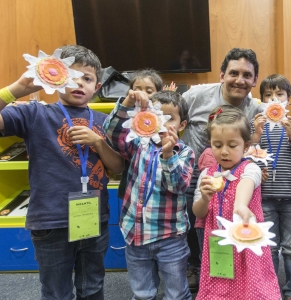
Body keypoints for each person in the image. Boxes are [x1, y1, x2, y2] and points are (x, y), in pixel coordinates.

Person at [0, 45, 124, 299]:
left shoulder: (102, 122)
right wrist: (16, 90)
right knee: (56, 291)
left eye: (87, 78)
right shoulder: (35, 113)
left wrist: (98, 142)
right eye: (72, 76)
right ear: (57, 79)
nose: (79, 83)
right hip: (50, 222)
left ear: (97, 87)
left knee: (93, 287)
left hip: (94, 219)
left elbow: (118, 168)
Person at [181, 48, 263, 290]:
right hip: (194, 177)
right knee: (194, 226)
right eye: (233, 73)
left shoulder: (255, 110)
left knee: (230, 228)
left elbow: (256, 147)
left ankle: (235, 280)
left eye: (247, 75)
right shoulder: (196, 96)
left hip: (235, 180)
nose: (240, 80)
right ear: (221, 75)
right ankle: (197, 268)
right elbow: (172, 116)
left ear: (255, 80)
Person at [103, 89, 195, 300]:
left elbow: (178, 186)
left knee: (177, 293)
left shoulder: (184, 152)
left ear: (182, 125)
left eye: (169, 117)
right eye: (156, 115)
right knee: (142, 292)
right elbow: (112, 132)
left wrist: (168, 154)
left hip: (170, 237)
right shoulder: (137, 144)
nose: (162, 122)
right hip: (136, 236)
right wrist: (127, 103)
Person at [192, 105, 281, 300]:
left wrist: (240, 205)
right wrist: (205, 198)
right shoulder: (207, 174)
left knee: (251, 286)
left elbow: (245, 184)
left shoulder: (251, 169)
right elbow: (198, 213)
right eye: (217, 145)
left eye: (232, 146)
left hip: (246, 242)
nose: (224, 151)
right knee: (219, 286)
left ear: (246, 146)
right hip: (218, 243)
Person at [250, 74, 291, 300]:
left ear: (288, 98)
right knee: (268, 247)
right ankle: (271, 289)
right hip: (265, 197)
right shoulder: (256, 123)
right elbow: (247, 158)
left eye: (279, 94)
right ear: (262, 100)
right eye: (268, 95)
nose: (274, 98)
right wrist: (256, 135)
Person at [113, 69, 164, 200]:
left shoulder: (163, 121)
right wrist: (128, 102)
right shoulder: (129, 122)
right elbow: (113, 132)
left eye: (149, 91)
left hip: (159, 196)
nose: (142, 94)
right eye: (137, 89)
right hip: (132, 197)